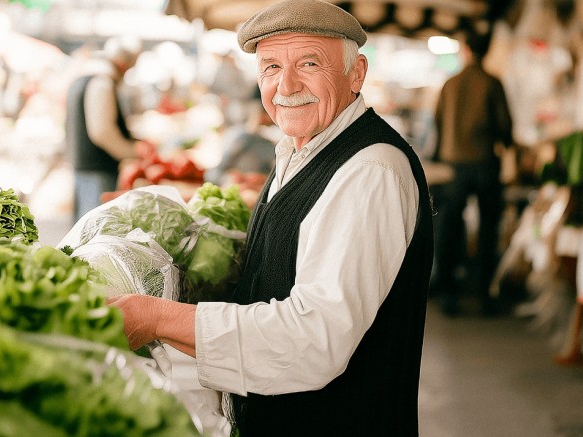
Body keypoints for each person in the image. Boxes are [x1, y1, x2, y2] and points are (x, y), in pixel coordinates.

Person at [108, 1, 434, 435]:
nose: (287, 84)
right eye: (271, 67)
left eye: (309, 63)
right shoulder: (302, 148)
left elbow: (314, 340)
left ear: (356, 74)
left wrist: (156, 318)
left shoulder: (369, 170)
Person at [429, 30, 514, 316]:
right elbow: (505, 126)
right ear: (487, 50)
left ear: (465, 50)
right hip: (484, 161)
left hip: (453, 163)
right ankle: (484, 295)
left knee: (450, 226)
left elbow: (438, 122)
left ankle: (448, 293)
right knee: (488, 228)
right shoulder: (492, 83)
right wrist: (507, 145)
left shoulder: (450, 84)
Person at [66, 36, 142, 222]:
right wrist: (132, 152)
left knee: (84, 225)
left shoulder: (82, 78)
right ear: (123, 64)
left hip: (82, 166)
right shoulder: (102, 82)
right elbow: (102, 132)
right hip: (98, 169)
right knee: (95, 226)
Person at [205, 87, 279, 187]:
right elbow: (212, 174)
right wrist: (232, 179)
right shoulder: (242, 137)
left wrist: (263, 180)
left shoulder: (278, 143)